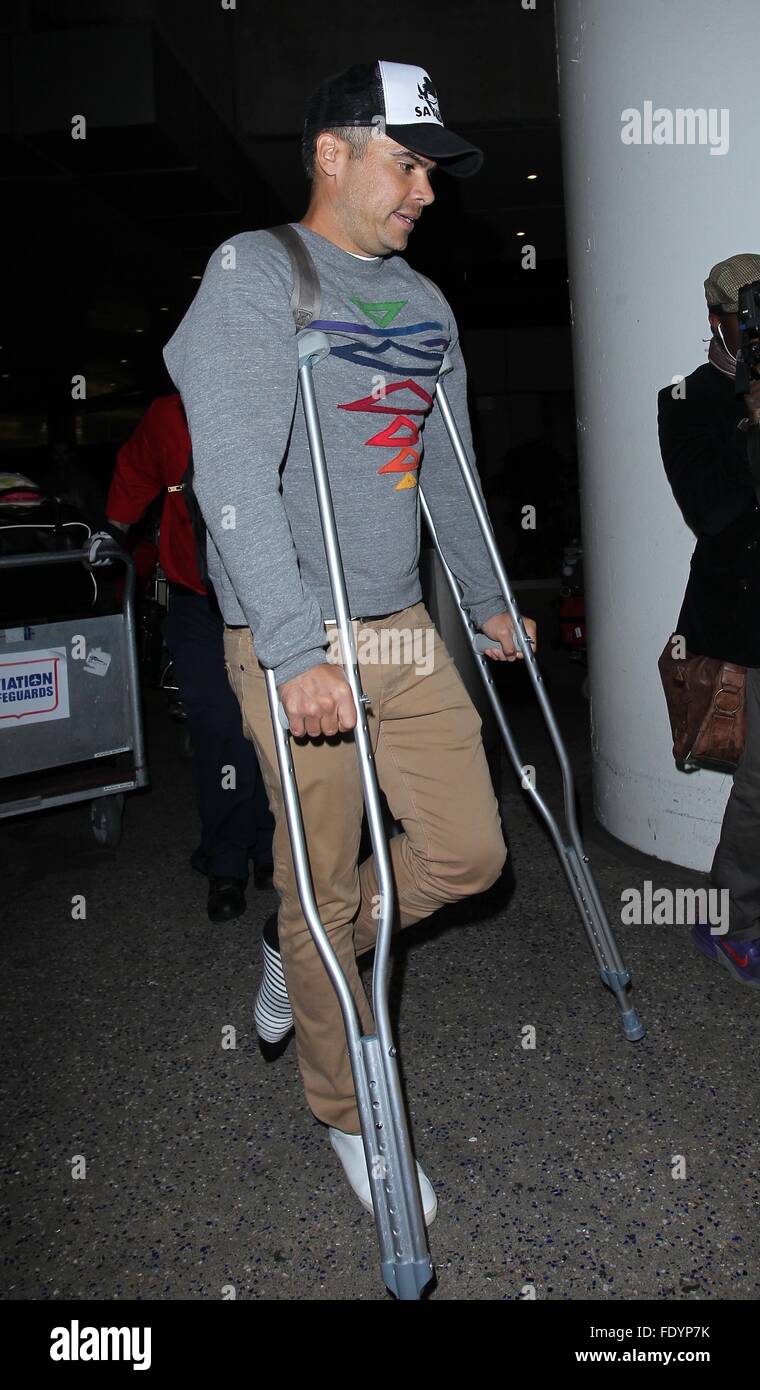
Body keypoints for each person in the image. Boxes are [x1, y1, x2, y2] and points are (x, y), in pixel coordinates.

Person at [163, 60, 537, 1220]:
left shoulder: (426, 306)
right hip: (296, 634)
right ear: (333, 152)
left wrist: (481, 595)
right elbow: (226, 470)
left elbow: (449, 465)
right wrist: (288, 643)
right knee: (318, 880)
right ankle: (350, 1111)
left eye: (431, 168)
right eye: (407, 161)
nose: (425, 188)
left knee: (472, 855)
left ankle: (306, 943)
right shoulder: (254, 270)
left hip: (400, 632)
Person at [91, 393, 274, 922]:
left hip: (270, 601)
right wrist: (112, 532)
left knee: (271, 727)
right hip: (199, 605)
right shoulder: (170, 414)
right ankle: (227, 862)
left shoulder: (274, 396)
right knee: (221, 731)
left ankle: (269, 849)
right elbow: (136, 469)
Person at [658, 252, 760, 986]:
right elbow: (716, 513)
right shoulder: (686, 398)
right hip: (742, 617)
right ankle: (731, 923)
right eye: (744, 321)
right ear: (715, 320)